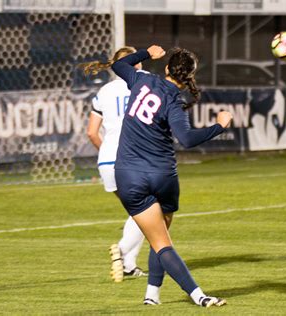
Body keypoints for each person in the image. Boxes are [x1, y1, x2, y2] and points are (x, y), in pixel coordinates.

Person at [111, 45, 233, 307]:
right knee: (161, 238)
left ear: (166, 68)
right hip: (161, 174)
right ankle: (198, 296)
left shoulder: (141, 79)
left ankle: (152, 296)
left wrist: (145, 52)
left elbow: (118, 65)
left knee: (159, 239)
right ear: (189, 76)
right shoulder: (174, 102)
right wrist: (219, 126)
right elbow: (187, 139)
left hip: (128, 176)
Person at [80, 47, 147, 282]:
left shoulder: (104, 91)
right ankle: (121, 251)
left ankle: (129, 265)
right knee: (150, 210)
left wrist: (107, 155)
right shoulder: (144, 83)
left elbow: (91, 132)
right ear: (135, 63)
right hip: (135, 158)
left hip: (108, 161)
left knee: (138, 213)